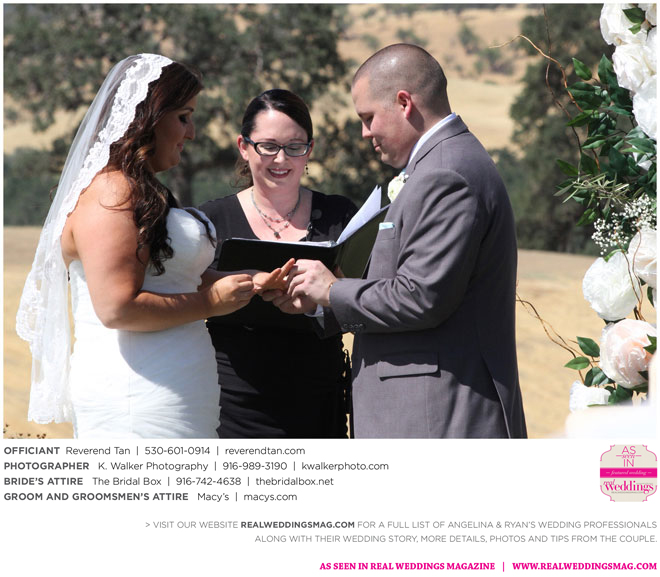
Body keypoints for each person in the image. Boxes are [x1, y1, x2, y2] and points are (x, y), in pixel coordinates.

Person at [16, 54, 288, 438]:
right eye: (184, 117)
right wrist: (210, 303)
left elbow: (166, 276)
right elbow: (118, 307)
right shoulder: (112, 192)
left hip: (174, 389)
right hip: (135, 396)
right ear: (149, 117)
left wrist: (248, 280)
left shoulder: (141, 189)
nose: (191, 133)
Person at [284, 44, 527, 438]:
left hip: (438, 416)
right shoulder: (439, 165)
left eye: (368, 118)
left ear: (403, 103)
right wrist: (318, 303)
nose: (365, 133)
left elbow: (421, 296)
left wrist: (331, 291)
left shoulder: (445, 173)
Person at [199, 89, 357, 438]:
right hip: (231, 407)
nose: (281, 159)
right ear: (244, 146)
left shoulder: (340, 216)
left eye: (294, 146)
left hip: (319, 405)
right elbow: (186, 296)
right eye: (268, 146)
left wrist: (318, 305)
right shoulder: (210, 221)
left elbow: (366, 302)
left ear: (309, 150)